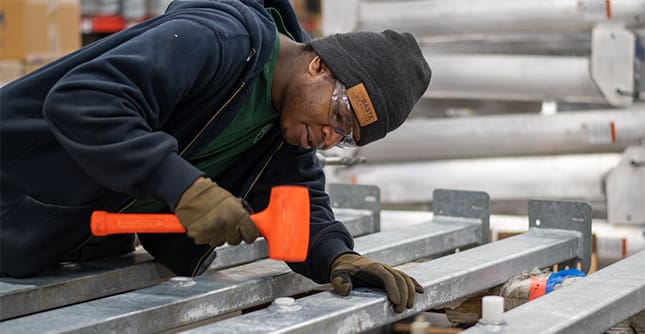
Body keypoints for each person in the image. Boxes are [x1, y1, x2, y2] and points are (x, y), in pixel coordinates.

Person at [0, 0, 431, 313]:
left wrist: (337, 256)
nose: (326, 136)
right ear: (318, 66)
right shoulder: (219, 41)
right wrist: (185, 187)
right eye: (338, 114)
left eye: (344, 136)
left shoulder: (285, 118)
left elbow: (299, 199)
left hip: (44, 245)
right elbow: (83, 101)